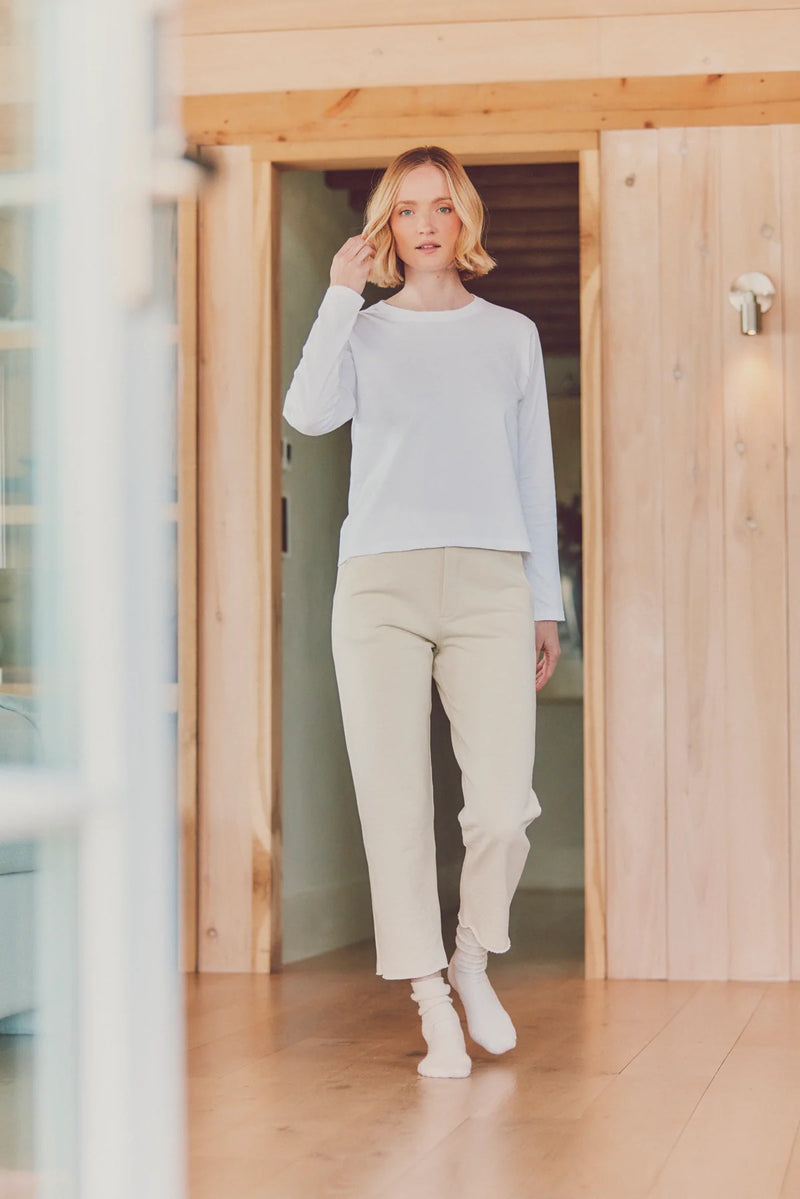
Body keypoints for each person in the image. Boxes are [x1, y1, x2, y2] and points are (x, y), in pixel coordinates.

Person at [282, 145, 564, 1079]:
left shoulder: (511, 334)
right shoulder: (360, 333)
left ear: (466, 218)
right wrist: (336, 296)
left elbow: (533, 476)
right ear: (387, 229)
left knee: (503, 809)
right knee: (394, 803)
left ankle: (475, 954)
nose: (428, 223)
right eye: (408, 210)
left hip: (490, 582)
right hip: (380, 586)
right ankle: (429, 997)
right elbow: (309, 413)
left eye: (442, 206)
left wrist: (542, 604)